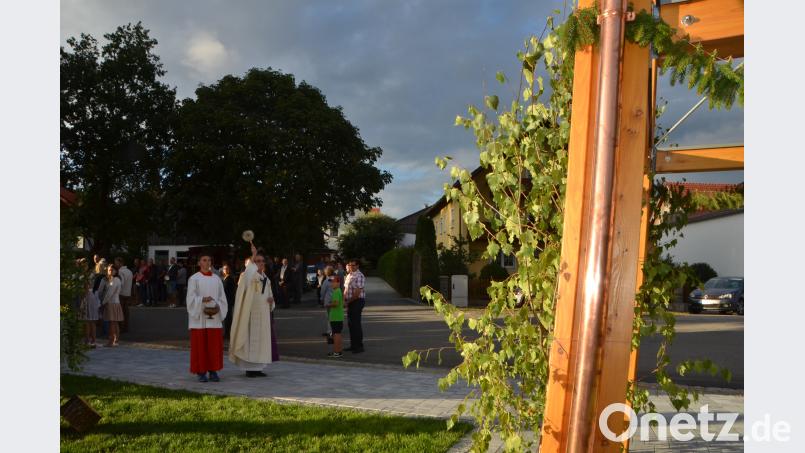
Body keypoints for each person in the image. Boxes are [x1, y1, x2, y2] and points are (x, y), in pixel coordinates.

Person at [229, 243, 275, 377]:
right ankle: (249, 368)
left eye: (262, 261)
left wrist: (271, 301)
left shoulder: (266, 278)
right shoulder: (248, 276)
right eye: (257, 261)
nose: (260, 263)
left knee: (261, 341)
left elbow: (270, 295)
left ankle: (258, 368)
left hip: (264, 314)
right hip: (250, 314)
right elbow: (247, 273)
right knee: (250, 340)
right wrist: (253, 255)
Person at [186, 254, 228, 382]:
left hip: (214, 318)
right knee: (200, 346)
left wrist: (218, 307)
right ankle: (201, 372)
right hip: (199, 319)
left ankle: (213, 370)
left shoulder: (217, 279)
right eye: (204, 260)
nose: (207, 262)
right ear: (199, 263)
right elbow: (190, 299)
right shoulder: (194, 279)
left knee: (214, 346)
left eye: (209, 260)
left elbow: (222, 298)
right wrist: (202, 300)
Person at [97, 264, 124, 347]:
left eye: (112, 270)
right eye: (109, 270)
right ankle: (116, 340)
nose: (110, 271)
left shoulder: (114, 280)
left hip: (111, 303)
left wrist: (103, 303)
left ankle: (111, 341)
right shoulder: (116, 280)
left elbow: (109, 293)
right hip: (115, 302)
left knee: (112, 323)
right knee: (115, 322)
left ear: (115, 271)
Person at [343, 260, 366, 353]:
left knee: (356, 324)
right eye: (350, 265)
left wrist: (348, 302)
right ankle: (353, 345)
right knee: (350, 324)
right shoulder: (349, 275)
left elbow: (357, 293)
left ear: (357, 266)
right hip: (350, 302)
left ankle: (359, 346)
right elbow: (345, 289)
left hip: (357, 301)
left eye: (353, 265)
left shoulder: (359, 275)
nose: (351, 266)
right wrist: (343, 300)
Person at [325, 276, 345, 358]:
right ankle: (338, 351)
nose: (332, 283)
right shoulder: (338, 291)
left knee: (336, 335)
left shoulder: (337, 291)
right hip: (338, 316)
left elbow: (336, 304)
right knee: (338, 334)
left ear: (338, 283)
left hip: (336, 317)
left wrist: (328, 304)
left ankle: (336, 352)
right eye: (331, 282)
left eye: (333, 282)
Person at [78, 279, 100, 347]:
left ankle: (87, 341)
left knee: (87, 324)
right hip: (94, 309)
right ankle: (93, 340)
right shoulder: (95, 292)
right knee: (92, 323)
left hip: (87, 309)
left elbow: (83, 301)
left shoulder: (86, 292)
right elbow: (98, 302)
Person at [115, 258, 133, 333]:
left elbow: (121, 283)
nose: (115, 265)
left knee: (121, 311)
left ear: (120, 263)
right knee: (126, 311)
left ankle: (121, 328)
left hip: (121, 294)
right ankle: (126, 327)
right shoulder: (129, 271)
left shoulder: (120, 271)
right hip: (128, 293)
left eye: (116, 263)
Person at [221, 263, 237, 338]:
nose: (225, 270)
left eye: (227, 268)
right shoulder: (225, 278)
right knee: (227, 317)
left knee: (228, 317)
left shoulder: (229, 279)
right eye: (224, 269)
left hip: (228, 300)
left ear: (229, 270)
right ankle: (227, 333)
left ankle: (227, 333)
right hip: (226, 300)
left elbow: (229, 290)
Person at [320, 266, 335, 343]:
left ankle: (330, 332)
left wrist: (321, 299)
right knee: (333, 316)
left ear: (326, 273)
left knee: (329, 316)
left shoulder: (326, 281)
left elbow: (323, 291)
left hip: (328, 301)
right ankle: (330, 331)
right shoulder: (336, 279)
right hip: (335, 300)